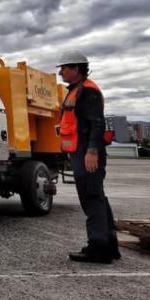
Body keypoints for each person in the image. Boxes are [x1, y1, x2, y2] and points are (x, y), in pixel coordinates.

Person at [56, 49, 120, 264]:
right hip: (80, 150)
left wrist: (92, 152)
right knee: (97, 196)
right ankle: (109, 245)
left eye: (64, 68)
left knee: (91, 197)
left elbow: (97, 123)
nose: (61, 72)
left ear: (76, 69)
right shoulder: (76, 90)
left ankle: (98, 248)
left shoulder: (88, 91)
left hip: (86, 151)